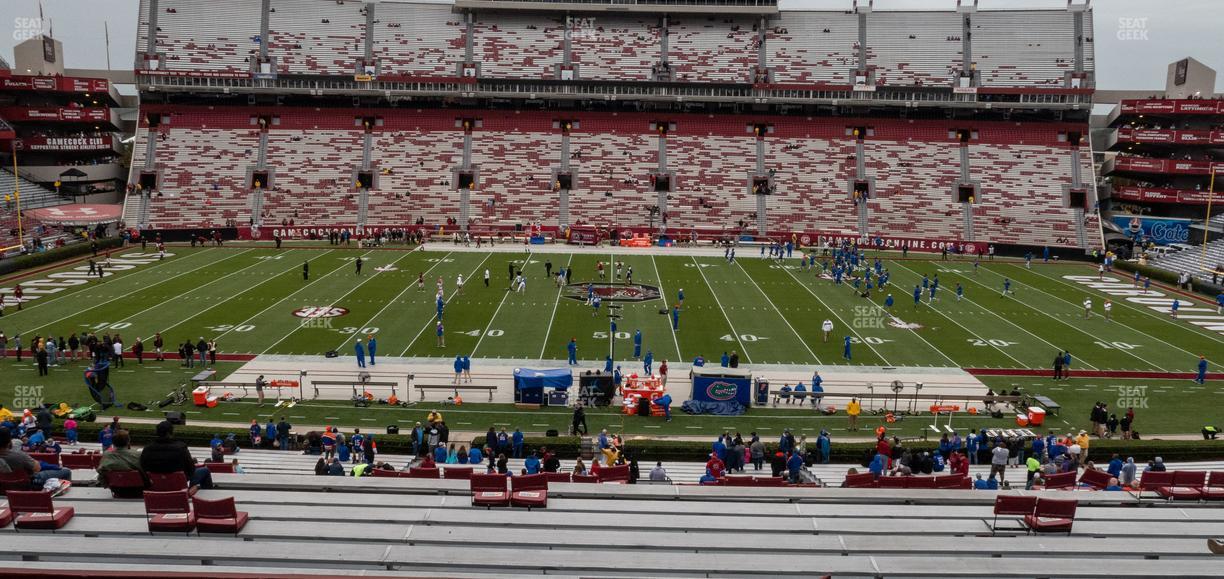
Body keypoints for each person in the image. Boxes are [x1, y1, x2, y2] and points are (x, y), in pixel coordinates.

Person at [140, 421, 213, 492]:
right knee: (205, 470)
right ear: (170, 433)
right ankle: (203, 499)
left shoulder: (147, 448)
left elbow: (143, 467)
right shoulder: (181, 447)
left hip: (155, 486)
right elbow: (191, 470)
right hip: (178, 486)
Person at [1, 427, 72, 490]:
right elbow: (37, 468)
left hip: (3, 487)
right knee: (67, 471)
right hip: (27, 483)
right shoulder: (18, 455)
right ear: (9, 442)